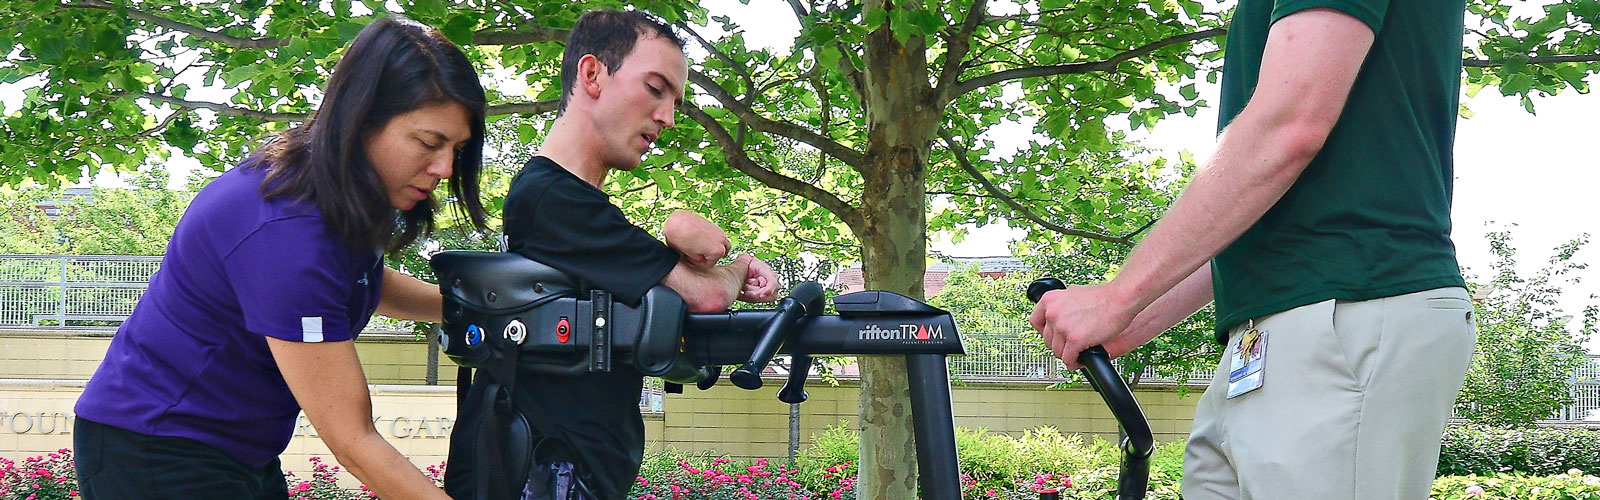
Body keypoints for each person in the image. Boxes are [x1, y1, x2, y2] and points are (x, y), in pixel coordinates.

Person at [1029, 2, 1473, 499]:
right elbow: (1261, 200)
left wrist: (1117, 298)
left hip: (1344, 314)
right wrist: (1136, 317)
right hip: (1274, 334)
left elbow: (1290, 125)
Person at [72, 16, 488, 500]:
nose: (444, 169)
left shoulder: (323, 194)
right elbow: (353, 439)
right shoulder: (288, 234)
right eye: (428, 142)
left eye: (456, 149)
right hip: (154, 448)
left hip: (235, 451)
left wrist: (478, 305)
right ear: (362, 119)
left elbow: (361, 282)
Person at [442, 9, 781, 500]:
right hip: (545, 480)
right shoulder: (554, 202)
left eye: (674, 101)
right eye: (655, 88)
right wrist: (739, 264)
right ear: (592, 74)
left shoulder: (576, 211)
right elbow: (706, 296)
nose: (666, 116)